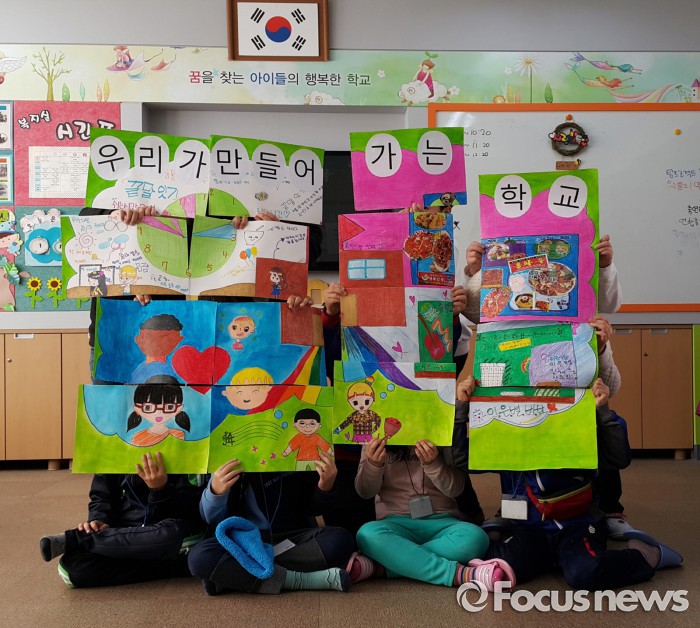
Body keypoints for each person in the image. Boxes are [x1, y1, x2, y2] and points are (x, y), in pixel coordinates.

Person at [476, 378, 682, 590]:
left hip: (576, 523)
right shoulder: (507, 425)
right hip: (529, 527)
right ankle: (526, 548)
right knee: (500, 565)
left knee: (585, 571)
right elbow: (465, 460)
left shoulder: (578, 418)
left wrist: (602, 410)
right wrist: (464, 407)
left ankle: (646, 555)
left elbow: (618, 458)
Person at [349, 380, 512, 590]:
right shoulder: (376, 437)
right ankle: (460, 574)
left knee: (476, 538)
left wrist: (433, 464)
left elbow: (456, 489)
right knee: (367, 534)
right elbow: (364, 492)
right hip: (395, 523)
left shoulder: (442, 432)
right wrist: (373, 464)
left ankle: (387, 566)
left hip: (443, 522)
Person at [187, 455, 355, 595]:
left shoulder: (297, 450)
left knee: (340, 540)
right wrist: (216, 491)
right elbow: (211, 518)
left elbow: (315, 509)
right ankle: (300, 580)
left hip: (295, 538)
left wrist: (325, 486)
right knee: (199, 557)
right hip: (245, 542)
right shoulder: (228, 458)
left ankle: (238, 576)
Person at [39, 452, 205, 588]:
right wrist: (98, 520)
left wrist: (160, 490)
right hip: (126, 532)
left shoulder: (192, 444)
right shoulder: (115, 444)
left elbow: (193, 509)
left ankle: (78, 539)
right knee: (72, 568)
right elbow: (102, 496)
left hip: (172, 529)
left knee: (177, 534)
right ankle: (173, 566)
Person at [462, 234, 623, 324]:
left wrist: (604, 267)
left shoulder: (576, 245)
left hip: (568, 339)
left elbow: (610, 305)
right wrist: (474, 271)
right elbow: (476, 313)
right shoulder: (499, 245)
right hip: (512, 341)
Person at [127, 379, 191, 446]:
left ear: (178, 408)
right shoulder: (138, 438)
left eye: (169, 407)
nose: (159, 413)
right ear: (137, 409)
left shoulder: (178, 435)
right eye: (148, 407)